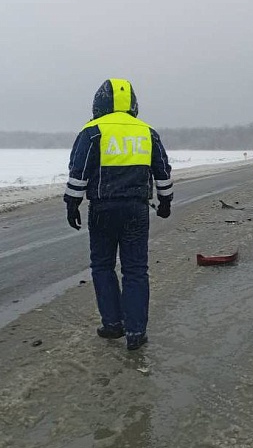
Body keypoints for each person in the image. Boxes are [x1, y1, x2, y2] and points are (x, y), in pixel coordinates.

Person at [63, 78, 173, 351]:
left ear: (99, 102)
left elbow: (79, 171)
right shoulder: (147, 132)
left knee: (102, 266)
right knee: (135, 270)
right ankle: (136, 332)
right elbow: (162, 170)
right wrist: (165, 201)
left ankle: (112, 325)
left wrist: (72, 204)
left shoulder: (92, 131)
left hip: (102, 208)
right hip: (136, 209)